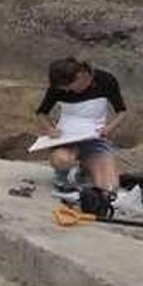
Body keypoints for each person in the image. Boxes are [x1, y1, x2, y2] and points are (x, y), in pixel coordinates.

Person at [35, 58, 127, 196]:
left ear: (80, 76)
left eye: (69, 87)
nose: (67, 91)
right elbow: (41, 112)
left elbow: (122, 111)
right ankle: (62, 176)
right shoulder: (59, 87)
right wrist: (50, 129)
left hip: (95, 139)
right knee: (62, 160)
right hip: (67, 140)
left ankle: (85, 171)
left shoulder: (105, 80)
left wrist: (109, 128)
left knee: (109, 188)